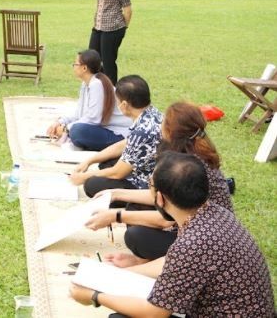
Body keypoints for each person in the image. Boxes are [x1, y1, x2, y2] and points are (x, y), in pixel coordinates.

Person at [69, 151, 274, 317]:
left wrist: (95, 295)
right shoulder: (214, 213)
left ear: (160, 198)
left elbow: (155, 312)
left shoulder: (194, 242)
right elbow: (176, 262)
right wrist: (129, 270)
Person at [84, 101, 233, 264]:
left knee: (137, 237)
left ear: (169, 131)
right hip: (205, 230)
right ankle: (150, 260)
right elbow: (160, 197)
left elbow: (168, 218)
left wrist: (115, 216)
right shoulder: (191, 154)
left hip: (203, 241)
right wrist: (114, 194)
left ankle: (154, 262)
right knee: (135, 211)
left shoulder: (187, 166)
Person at [69, 75, 162, 201]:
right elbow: (124, 144)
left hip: (144, 185)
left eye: (117, 102)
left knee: (91, 184)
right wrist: (90, 161)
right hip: (146, 168)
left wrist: (84, 177)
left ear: (124, 104)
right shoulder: (153, 113)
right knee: (105, 162)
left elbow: (117, 173)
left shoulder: (142, 132)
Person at [46, 50, 131, 151]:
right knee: (76, 130)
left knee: (77, 131)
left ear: (84, 68)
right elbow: (79, 114)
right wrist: (60, 122)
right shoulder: (86, 84)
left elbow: (93, 119)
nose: (73, 66)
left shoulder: (97, 84)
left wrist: (66, 129)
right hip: (104, 129)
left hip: (118, 134)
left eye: (75, 64)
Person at [88, 0, 131, 85]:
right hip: (98, 27)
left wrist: (124, 27)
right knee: (91, 59)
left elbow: (128, 9)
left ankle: (111, 91)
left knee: (108, 61)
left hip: (113, 29)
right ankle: (98, 86)